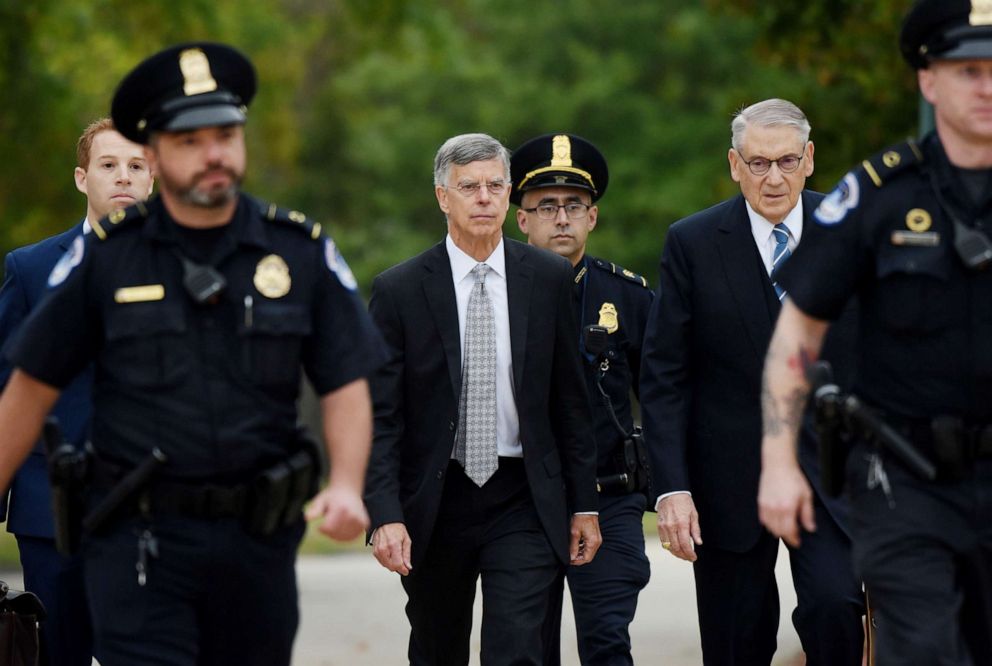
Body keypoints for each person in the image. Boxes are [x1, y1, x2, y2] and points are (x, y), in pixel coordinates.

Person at [0, 42, 384, 665]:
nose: (213, 154)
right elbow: (29, 386)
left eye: (226, 135)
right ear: (155, 155)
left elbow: (344, 378)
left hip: (256, 543)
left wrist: (345, 482)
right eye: (190, 140)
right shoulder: (105, 257)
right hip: (138, 541)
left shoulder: (297, 252)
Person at [758, 2, 992, 664]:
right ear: (929, 81)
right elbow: (796, 336)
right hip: (906, 481)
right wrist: (778, 464)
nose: (988, 87)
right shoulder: (878, 194)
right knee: (921, 648)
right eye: (968, 70)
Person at [640, 98, 864, 665]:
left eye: (787, 161)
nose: (773, 178)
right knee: (736, 641)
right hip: (728, 480)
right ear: (735, 165)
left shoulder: (850, 233)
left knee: (837, 609)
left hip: (831, 476)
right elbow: (666, 374)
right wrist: (672, 487)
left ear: (809, 159)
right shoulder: (691, 243)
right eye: (758, 163)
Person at [363, 132, 602, 666]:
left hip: (522, 496)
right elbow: (380, 416)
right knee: (437, 646)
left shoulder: (547, 278)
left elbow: (570, 401)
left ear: (509, 192)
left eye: (496, 185)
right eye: (468, 187)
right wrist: (383, 513)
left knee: (517, 646)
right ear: (442, 197)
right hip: (436, 498)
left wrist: (583, 503)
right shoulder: (399, 290)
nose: (484, 197)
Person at [0, 117, 153, 666]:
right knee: (58, 655)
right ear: (81, 178)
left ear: (154, 180)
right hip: (50, 510)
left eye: (137, 167)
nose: (123, 177)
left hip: (153, 510)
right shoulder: (32, 268)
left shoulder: (189, 269)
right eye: (109, 165)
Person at [510, 133, 652, 665]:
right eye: (546, 206)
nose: (562, 218)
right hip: (520, 501)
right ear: (520, 218)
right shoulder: (493, 294)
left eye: (574, 206)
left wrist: (664, 487)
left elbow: (659, 395)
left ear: (593, 217)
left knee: (607, 641)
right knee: (525, 646)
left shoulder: (629, 297)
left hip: (610, 494)